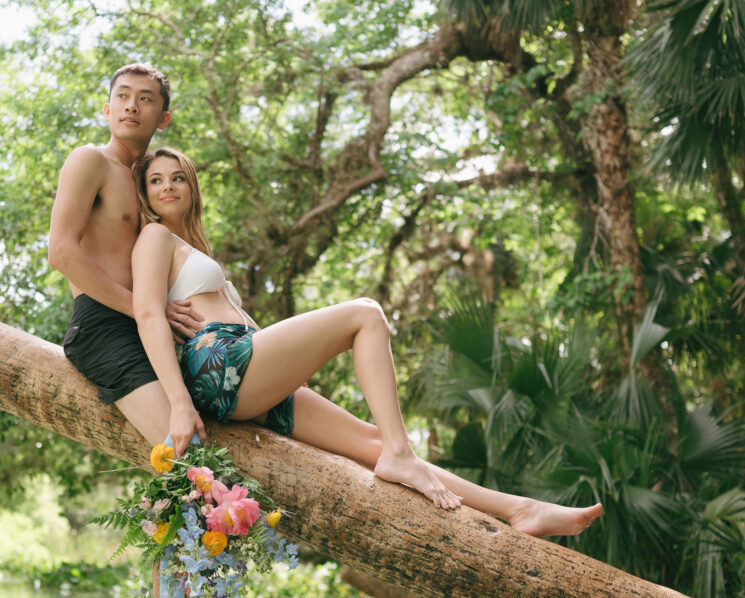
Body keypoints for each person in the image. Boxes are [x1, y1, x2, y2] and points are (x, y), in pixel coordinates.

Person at [131, 147, 604, 534]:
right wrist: (177, 403)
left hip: (245, 372)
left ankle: (520, 509)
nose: (168, 186)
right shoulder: (154, 237)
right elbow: (149, 313)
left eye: (178, 177)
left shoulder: (189, 245)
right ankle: (400, 456)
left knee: (373, 440)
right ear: (146, 196)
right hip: (221, 364)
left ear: (193, 187)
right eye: (156, 180)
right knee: (366, 315)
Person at [48, 66, 225, 598]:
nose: (132, 107)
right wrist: (140, 309)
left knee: (194, 451)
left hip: (148, 329)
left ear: (162, 117)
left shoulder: (150, 179)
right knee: (185, 457)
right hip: (103, 326)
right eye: (122, 97)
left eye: (145, 100)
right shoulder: (89, 162)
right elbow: (63, 252)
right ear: (107, 108)